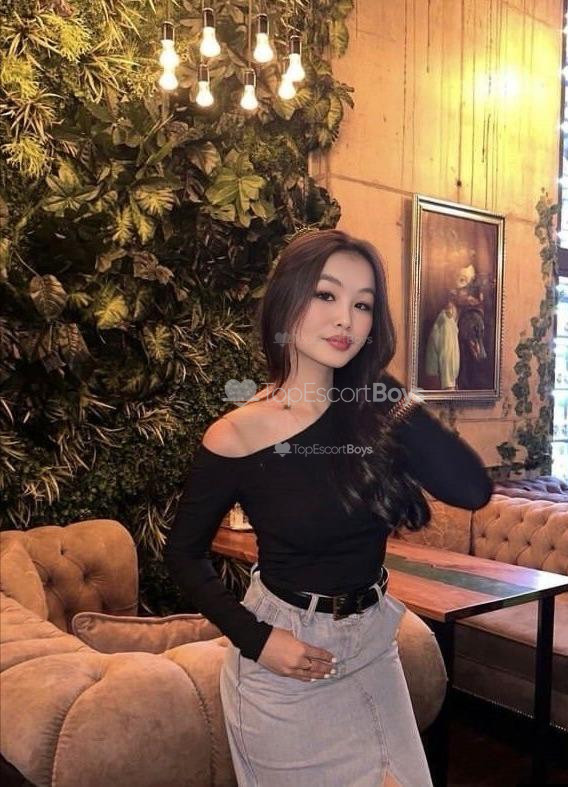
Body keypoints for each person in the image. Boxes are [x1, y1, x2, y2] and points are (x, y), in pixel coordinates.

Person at [163, 229, 493, 787]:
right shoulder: (238, 432)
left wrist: (381, 387)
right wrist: (257, 640)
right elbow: (183, 554)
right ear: (287, 301)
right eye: (326, 295)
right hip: (286, 658)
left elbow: (471, 489)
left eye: (363, 305)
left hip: (373, 644)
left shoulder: (371, 411)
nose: (346, 319)